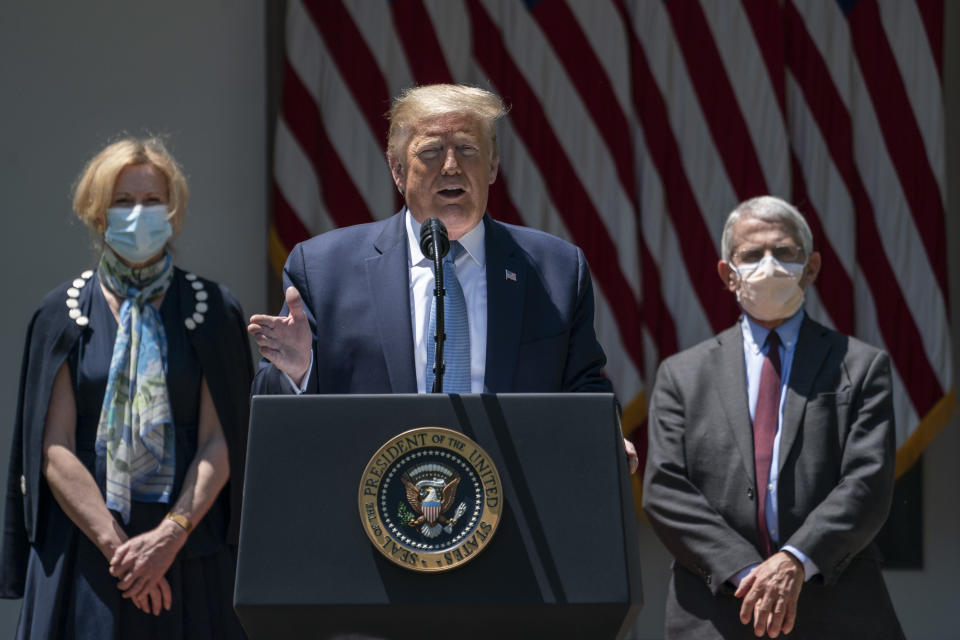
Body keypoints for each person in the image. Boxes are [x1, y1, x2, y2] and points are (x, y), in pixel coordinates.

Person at [248, 83, 637, 470]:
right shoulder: (323, 269)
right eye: (431, 152)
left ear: (493, 166)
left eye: (467, 150)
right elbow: (271, 411)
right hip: (370, 507)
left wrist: (603, 433)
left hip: (516, 503)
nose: (451, 166)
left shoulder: (556, 269)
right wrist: (301, 372)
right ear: (398, 170)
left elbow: (584, 387)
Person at [0, 137, 252, 638]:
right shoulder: (60, 314)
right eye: (124, 201)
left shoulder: (213, 310)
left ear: (173, 210)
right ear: (98, 213)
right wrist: (124, 554)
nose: (140, 214)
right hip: (88, 555)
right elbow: (54, 448)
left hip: (188, 549)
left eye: (152, 200)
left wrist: (166, 539)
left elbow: (220, 439)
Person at [642, 196, 904, 639]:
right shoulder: (681, 374)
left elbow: (867, 482)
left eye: (784, 252)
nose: (769, 265)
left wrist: (794, 562)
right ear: (728, 274)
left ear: (812, 267)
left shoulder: (860, 366)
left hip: (836, 610)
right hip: (719, 611)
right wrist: (748, 573)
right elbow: (665, 489)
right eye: (751, 255)